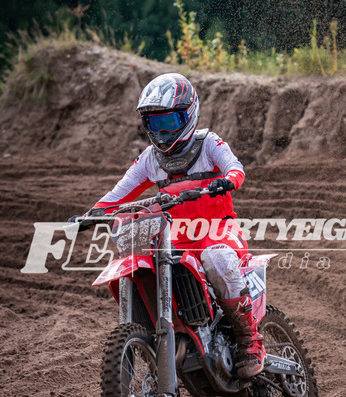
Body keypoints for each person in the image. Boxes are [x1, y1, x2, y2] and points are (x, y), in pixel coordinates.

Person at [87, 73, 265, 378]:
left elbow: (235, 168)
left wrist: (227, 180)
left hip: (218, 231)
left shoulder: (208, 144)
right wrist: (91, 214)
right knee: (148, 260)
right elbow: (117, 194)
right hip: (175, 237)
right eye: (154, 123)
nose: (162, 132)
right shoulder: (150, 159)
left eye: (169, 121)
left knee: (218, 258)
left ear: (188, 114)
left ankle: (250, 339)